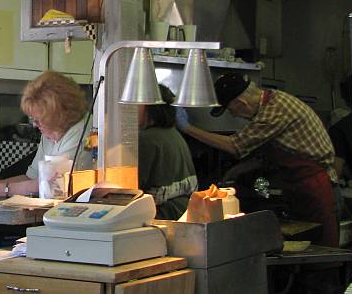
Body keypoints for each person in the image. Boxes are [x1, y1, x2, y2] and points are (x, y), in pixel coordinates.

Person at [177, 73, 339, 247]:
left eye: (231, 110)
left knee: (320, 245)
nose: (235, 116)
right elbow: (265, 155)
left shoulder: (274, 111)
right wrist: (238, 170)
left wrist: (188, 129)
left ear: (241, 103)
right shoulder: (274, 101)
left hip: (312, 186)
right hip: (297, 184)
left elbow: (235, 146)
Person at [0, 70, 88, 197]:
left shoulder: (81, 132)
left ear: (59, 115)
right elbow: (30, 178)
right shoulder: (49, 132)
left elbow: (51, 184)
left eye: (39, 120)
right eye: (33, 119)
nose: (34, 125)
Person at [138, 85, 198, 219]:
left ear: (151, 108)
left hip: (161, 216)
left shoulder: (146, 139)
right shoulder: (173, 134)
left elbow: (132, 186)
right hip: (182, 212)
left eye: (137, 104)